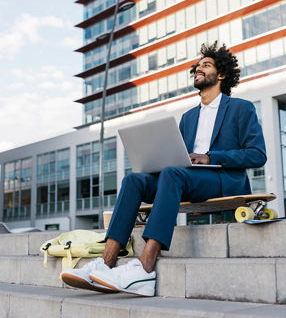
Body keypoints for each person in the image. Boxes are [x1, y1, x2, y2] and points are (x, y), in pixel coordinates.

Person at [61, 42, 266, 297]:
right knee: (135, 180)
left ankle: (145, 269)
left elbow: (257, 155)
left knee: (172, 173)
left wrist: (210, 156)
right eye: (197, 66)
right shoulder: (188, 117)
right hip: (186, 178)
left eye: (206, 65)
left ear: (221, 74)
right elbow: (176, 156)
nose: (198, 69)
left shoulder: (240, 108)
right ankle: (105, 263)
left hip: (222, 179)